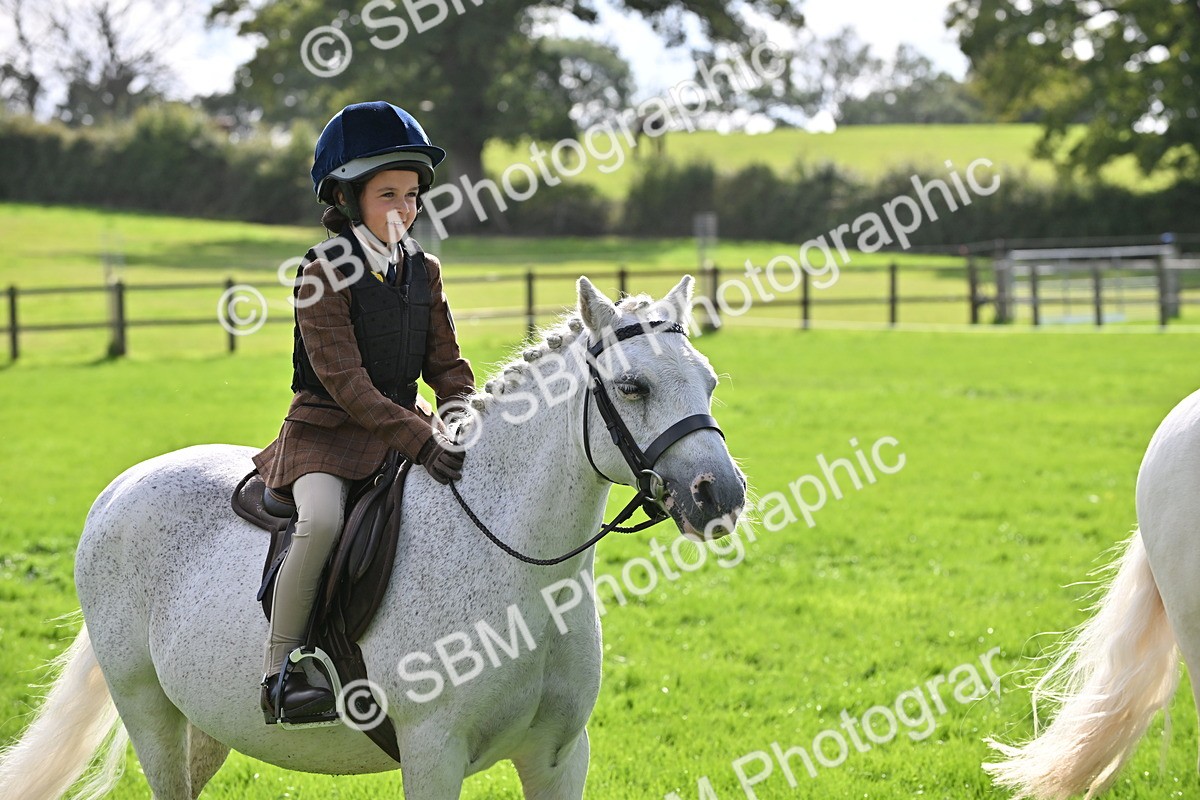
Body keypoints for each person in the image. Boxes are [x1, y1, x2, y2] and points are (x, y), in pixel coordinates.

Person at [252, 101, 475, 721]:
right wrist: (422, 437)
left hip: (403, 431)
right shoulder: (320, 271)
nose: (404, 210)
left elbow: (448, 365)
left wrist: (457, 414)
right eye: (388, 195)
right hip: (327, 434)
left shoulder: (423, 270)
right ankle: (280, 674)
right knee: (322, 520)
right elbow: (346, 384)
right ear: (348, 201)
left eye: (412, 195)